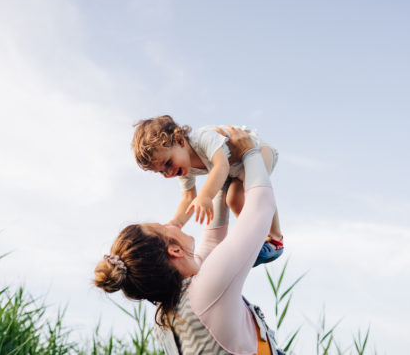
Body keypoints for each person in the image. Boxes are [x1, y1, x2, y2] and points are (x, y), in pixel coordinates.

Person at [95, 127, 282, 354]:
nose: (171, 223)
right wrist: (250, 153)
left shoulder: (167, 314)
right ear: (174, 250)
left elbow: (212, 243)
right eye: (163, 227)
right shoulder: (207, 291)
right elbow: (260, 207)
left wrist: (221, 184)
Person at [131, 115, 283, 266]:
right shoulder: (184, 169)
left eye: (168, 163)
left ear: (179, 140)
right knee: (233, 199)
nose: (168, 173)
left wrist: (206, 196)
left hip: (258, 150)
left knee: (255, 190)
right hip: (238, 168)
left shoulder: (204, 137)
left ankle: (276, 238)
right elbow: (188, 197)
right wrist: (176, 223)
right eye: (161, 171)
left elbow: (221, 166)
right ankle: (257, 238)